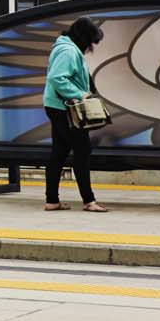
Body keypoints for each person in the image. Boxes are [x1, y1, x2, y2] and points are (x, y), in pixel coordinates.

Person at [42, 17, 107, 213]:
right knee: (82, 150)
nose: (89, 47)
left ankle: (52, 200)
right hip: (65, 109)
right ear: (83, 38)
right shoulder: (69, 51)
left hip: (59, 107)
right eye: (90, 42)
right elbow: (56, 77)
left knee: (59, 153)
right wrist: (81, 94)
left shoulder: (67, 48)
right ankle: (89, 201)